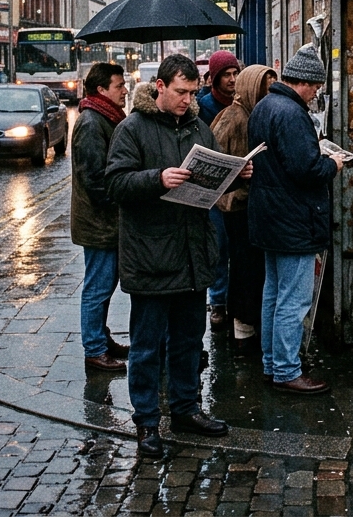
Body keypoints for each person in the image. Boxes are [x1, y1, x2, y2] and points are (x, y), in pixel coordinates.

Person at [105, 55, 248, 456]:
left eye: (192, 92)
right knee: (148, 345)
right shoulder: (132, 129)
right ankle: (147, 421)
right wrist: (157, 178)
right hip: (152, 253)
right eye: (181, 92)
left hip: (192, 252)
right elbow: (114, 184)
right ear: (161, 88)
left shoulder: (199, 126)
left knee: (189, 339)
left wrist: (235, 173)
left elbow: (214, 166)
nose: (188, 99)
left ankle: (187, 408)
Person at [247, 44, 347, 394]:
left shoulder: (263, 107)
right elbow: (305, 169)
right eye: (316, 88)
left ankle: (272, 364)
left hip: (270, 216)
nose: (316, 94)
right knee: (294, 299)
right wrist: (331, 163)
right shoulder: (291, 113)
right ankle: (287, 370)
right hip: (293, 220)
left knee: (273, 294)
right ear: (304, 82)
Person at [210, 63, 277, 351]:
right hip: (236, 205)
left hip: (247, 202)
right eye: (264, 90)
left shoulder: (249, 113)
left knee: (248, 268)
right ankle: (242, 330)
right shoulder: (234, 117)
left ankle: (244, 327)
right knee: (244, 268)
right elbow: (213, 155)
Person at [70, 63, 131, 373]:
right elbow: (95, 180)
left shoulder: (106, 117)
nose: (125, 90)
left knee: (104, 286)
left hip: (106, 222)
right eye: (119, 85)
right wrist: (122, 199)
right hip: (98, 223)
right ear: (102, 90)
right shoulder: (92, 123)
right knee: (98, 286)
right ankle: (94, 349)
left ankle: (101, 339)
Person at [199, 50, 242, 329]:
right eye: (226, 75)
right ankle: (218, 303)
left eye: (235, 73)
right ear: (214, 78)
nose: (232, 79)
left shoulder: (243, 104)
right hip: (214, 190)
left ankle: (236, 302)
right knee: (218, 248)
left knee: (238, 247)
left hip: (238, 187)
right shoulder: (204, 107)